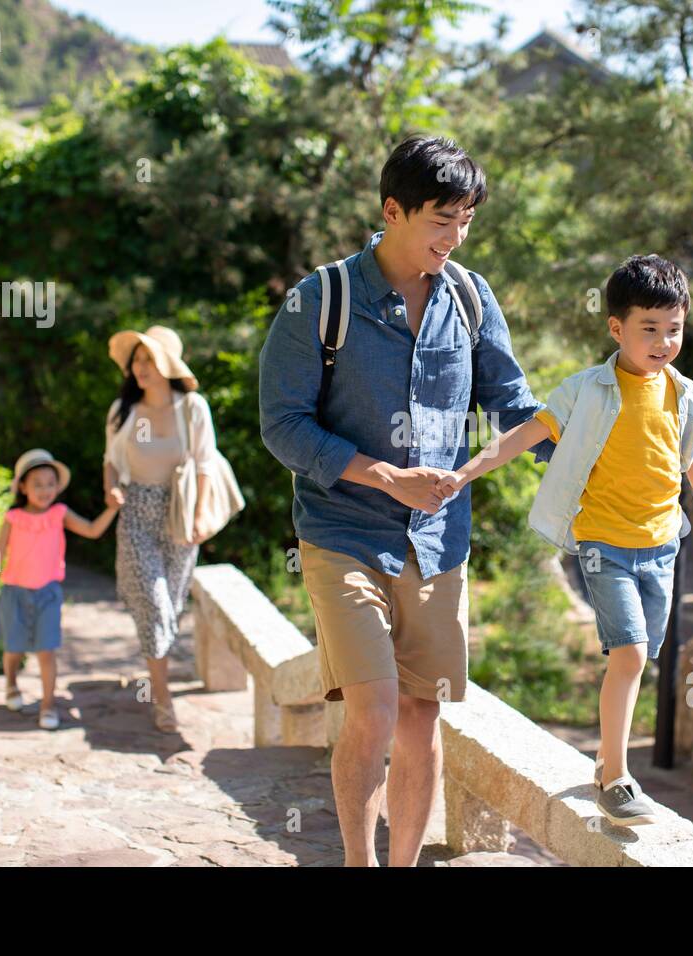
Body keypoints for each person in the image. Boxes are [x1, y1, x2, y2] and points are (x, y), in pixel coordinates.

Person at [258, 135, 554, 865]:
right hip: (342, 534)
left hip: (438, 542)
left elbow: (511, 403)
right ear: (393, 210)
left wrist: (580, 447)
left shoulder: (468, 296)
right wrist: (384, 476)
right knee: (375, 710)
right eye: (440, 220)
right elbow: (282, 425)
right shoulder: (321, 301)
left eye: (465, 221)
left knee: (421, 719)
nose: (453, 238)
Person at [437, 254, 693, 826]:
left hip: (663, 546)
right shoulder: (586, 391)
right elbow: (524, 435)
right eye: (649, 328)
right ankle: (617, 778)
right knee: (628, 652)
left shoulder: (683, 393)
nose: (664, 341)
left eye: (674, 329)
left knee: (641, 655)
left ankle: (605, 761)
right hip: (604, 546)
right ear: (616, 328)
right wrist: (465, 473)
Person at [103, 325, 220, 734]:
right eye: (136, 360)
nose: (140, 368)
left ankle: (156, 677)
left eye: (148, 359)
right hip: (136, 511)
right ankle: (162, 697)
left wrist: (202, 517)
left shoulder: (192, 408)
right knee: (154, 603)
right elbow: (111, 461)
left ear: (167, 365)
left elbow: (205, 464)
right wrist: (111, 489)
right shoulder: (124, 411)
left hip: (180, 514)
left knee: (169, 604)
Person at [0, 449, 119, 730]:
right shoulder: (13, 517)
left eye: (50, 483)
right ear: (23, 487)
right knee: (14, 650)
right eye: (37, 484)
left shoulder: (60, 514)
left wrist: (112, 507)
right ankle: (12, 684)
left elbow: (91, 530)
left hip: (48, 594)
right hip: (14, 593)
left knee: (46, 651)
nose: (45, 490)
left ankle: (48, 704)